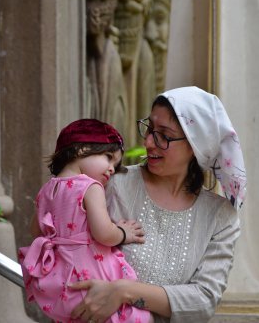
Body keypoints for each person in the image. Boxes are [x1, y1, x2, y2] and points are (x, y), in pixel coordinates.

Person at [68, 87, 247, 323]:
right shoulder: (112, 184)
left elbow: (204, 300)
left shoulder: (220, 218)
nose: (149, 142)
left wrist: (123, 292)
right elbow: (62, 236)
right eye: (150, 129)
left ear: (196, 146)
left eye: (164, 135)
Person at [18, 119, 152, 323]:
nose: (111, 169)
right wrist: (124, 232)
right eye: (108, 158)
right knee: (137, 316)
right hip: (88, 277)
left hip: (59, 286)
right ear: (81, 149)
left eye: (115, 165)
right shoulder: (89, 187)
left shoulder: (46, 189)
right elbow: (104, 234)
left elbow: (36, 232)